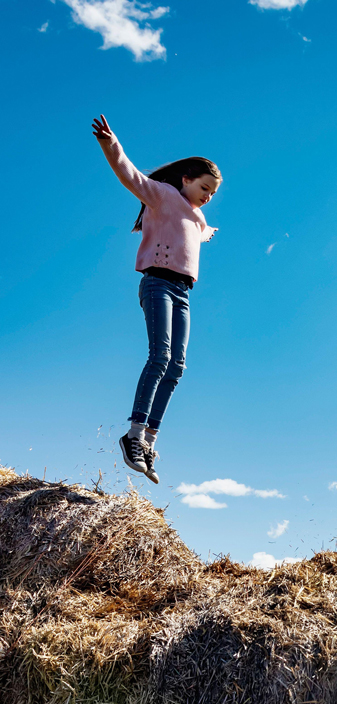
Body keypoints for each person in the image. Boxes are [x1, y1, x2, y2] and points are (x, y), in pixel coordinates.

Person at [92, 114, 221, 484]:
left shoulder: (198, 219)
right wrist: (110, 144)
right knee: (160, 357)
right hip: (158, 284)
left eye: (212, 193)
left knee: (177, 367)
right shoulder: (162, 196)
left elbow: (200, 230)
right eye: (204, 187)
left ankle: (149, 440)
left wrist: (209, 231)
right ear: (186, 179)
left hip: (183, 292)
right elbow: (130, 175)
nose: (208, 196)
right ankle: (132, 435)